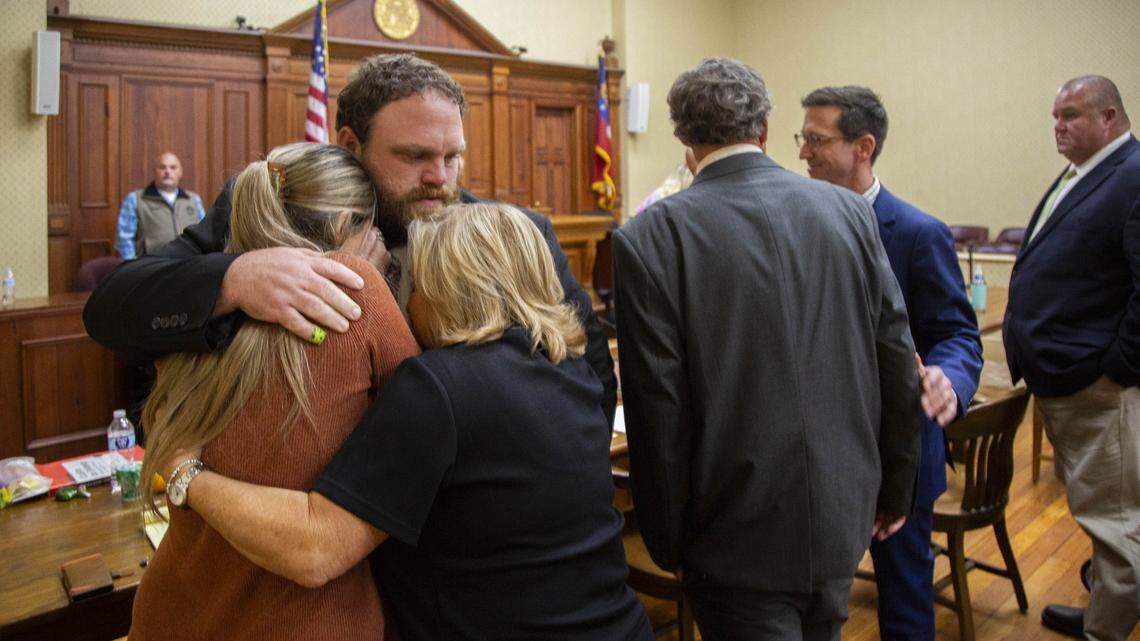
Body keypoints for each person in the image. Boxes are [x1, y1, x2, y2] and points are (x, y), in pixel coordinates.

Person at [158, 202, 653, 641]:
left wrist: (186, 475)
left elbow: (313, 550)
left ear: (443, 284)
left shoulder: (440, 387)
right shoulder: (571, 370)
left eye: (408, 279)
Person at [83, 53, 616, 425]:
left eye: (453, 156)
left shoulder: (516, 237)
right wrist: (235, 279)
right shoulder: (274, 208)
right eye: (414, 156)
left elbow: (591, 375)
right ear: (349, 145)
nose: (440, 177)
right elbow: (111, 309)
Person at [613, 57, 921, 641]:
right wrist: (893, 488)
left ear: (683, 137)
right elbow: (896, 358)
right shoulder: (851, 212)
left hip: (730, 530)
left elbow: (659, 408)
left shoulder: (650, 237)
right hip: (842, 508)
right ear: (765, 128)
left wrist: (666, 538)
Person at [129, 142, 419, 640]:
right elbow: (431, 417)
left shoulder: (204, 297)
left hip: (167, 614)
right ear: (340, 225)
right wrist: (363, 273)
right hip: (300, 624)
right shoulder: (360, 292)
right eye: (367, 228)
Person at [798, 85, 983, 641]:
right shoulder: (798, 223)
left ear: (864, 146)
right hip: (818, 457)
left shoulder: (918, 233)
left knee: (903, 605)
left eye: (816, 139)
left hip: (896, 455)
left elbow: (956, 334)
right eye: (801, 138)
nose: (803, 152)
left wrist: (948, 377)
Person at [1004, 75, 1139, 641]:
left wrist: (1114, 370)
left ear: (1109, 117)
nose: (1058, 126)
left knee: (1115, 525)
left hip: (1097, 386)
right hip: (1069, 379)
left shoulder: (1132, 175)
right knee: (1098, 512)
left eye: (1071, 115)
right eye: (1054, 116)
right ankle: (1102, 610)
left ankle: (1104, 633)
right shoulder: (1090, 171)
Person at [116, 152, 206, 259]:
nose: (167, 172)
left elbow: (203, 234)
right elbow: (124, 239)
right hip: (152, 267)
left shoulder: (193, 199)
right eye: (162, 167)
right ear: (154, 172)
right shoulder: (135, 199)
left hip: (189, 264)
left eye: (173, 168)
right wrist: (133, 268)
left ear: (180, 172)